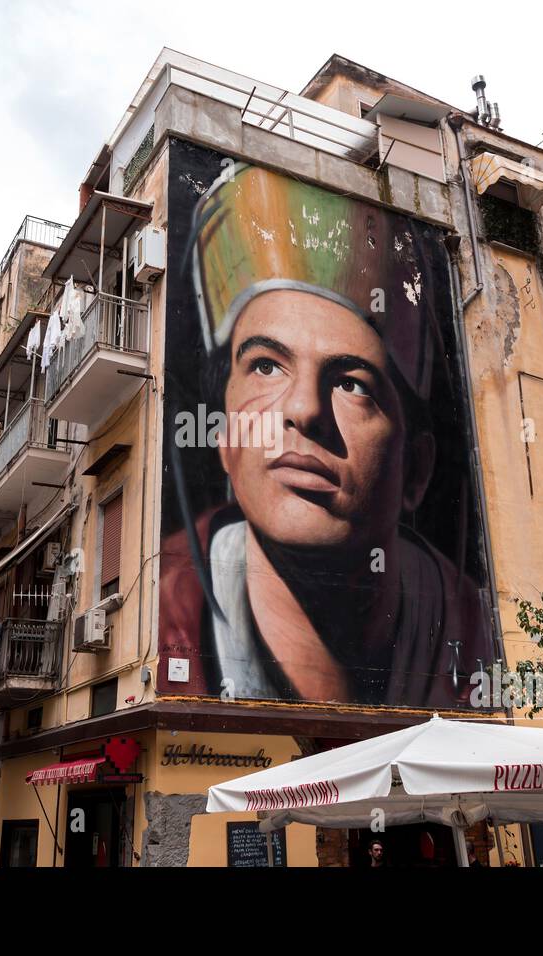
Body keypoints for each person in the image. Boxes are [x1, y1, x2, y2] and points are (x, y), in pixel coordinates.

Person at [161, 163, 492, 708]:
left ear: (416, 468)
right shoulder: (172, 609)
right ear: (221, 434)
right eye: (267, 366)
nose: (304, 410)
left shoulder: (474, 637)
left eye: (351, 383)